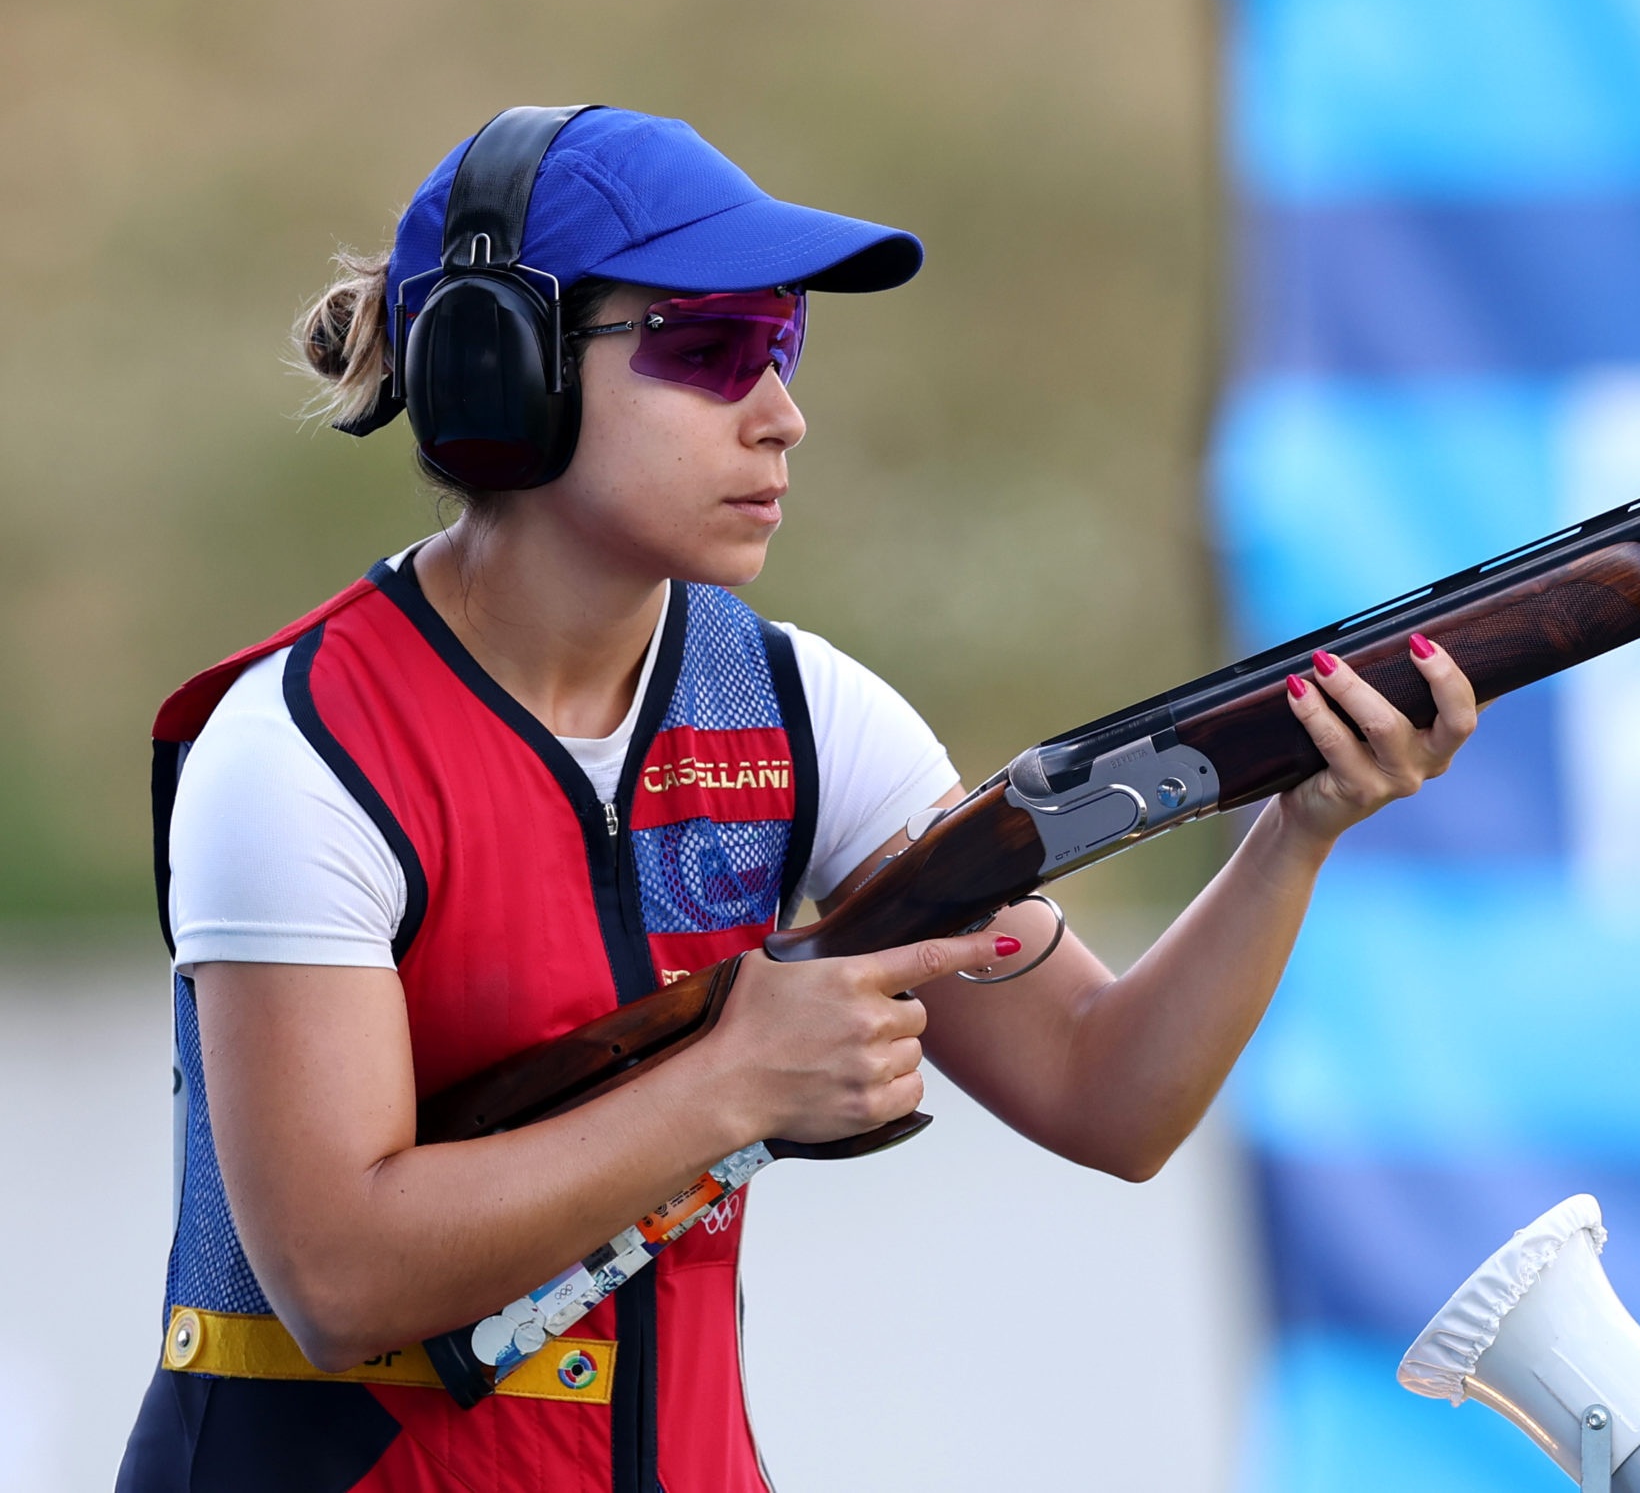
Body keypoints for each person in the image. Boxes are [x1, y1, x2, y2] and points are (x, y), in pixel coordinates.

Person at [118, 107, 1480, 1492]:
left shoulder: (802, 712)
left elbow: (1106, 1093)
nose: (782, 414)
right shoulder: (295, 751)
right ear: (499, 369)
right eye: (708, 352)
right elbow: (339, 1277)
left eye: (782, 345)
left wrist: (1295, 832)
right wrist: (735, 1081)